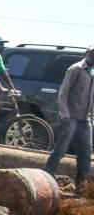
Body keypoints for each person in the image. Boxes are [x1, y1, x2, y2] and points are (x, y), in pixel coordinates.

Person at [43, 44, 94, 192]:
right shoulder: (76, 69)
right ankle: (46, 177)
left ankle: (80, 183)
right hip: (70, 116)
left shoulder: (92, 72)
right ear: (87, 53)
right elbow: (63, 93)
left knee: (85, 151)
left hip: (85, 119)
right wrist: (64, 114)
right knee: (61, 149)